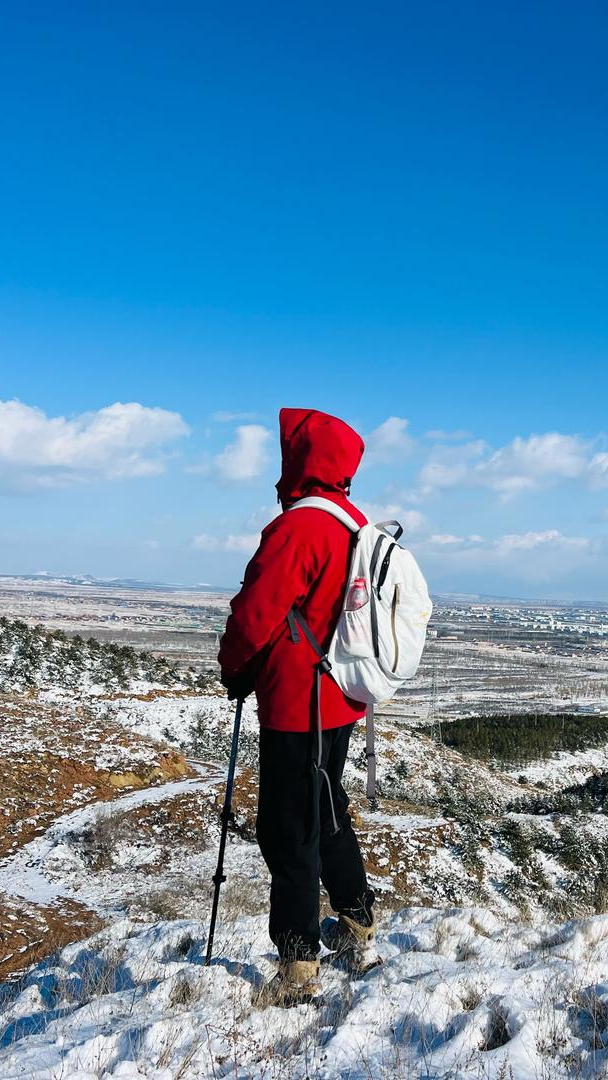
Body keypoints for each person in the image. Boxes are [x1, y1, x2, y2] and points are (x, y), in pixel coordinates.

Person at [217, 407, 376, 1005]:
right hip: (341, 698)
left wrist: (235, 667)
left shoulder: (298, 528)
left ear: (300, 460)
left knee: (288, 828)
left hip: (295, 703)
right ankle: (357, 920)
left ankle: (298, 959)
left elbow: (256, 613)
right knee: (326, 807)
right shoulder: (352, 522)